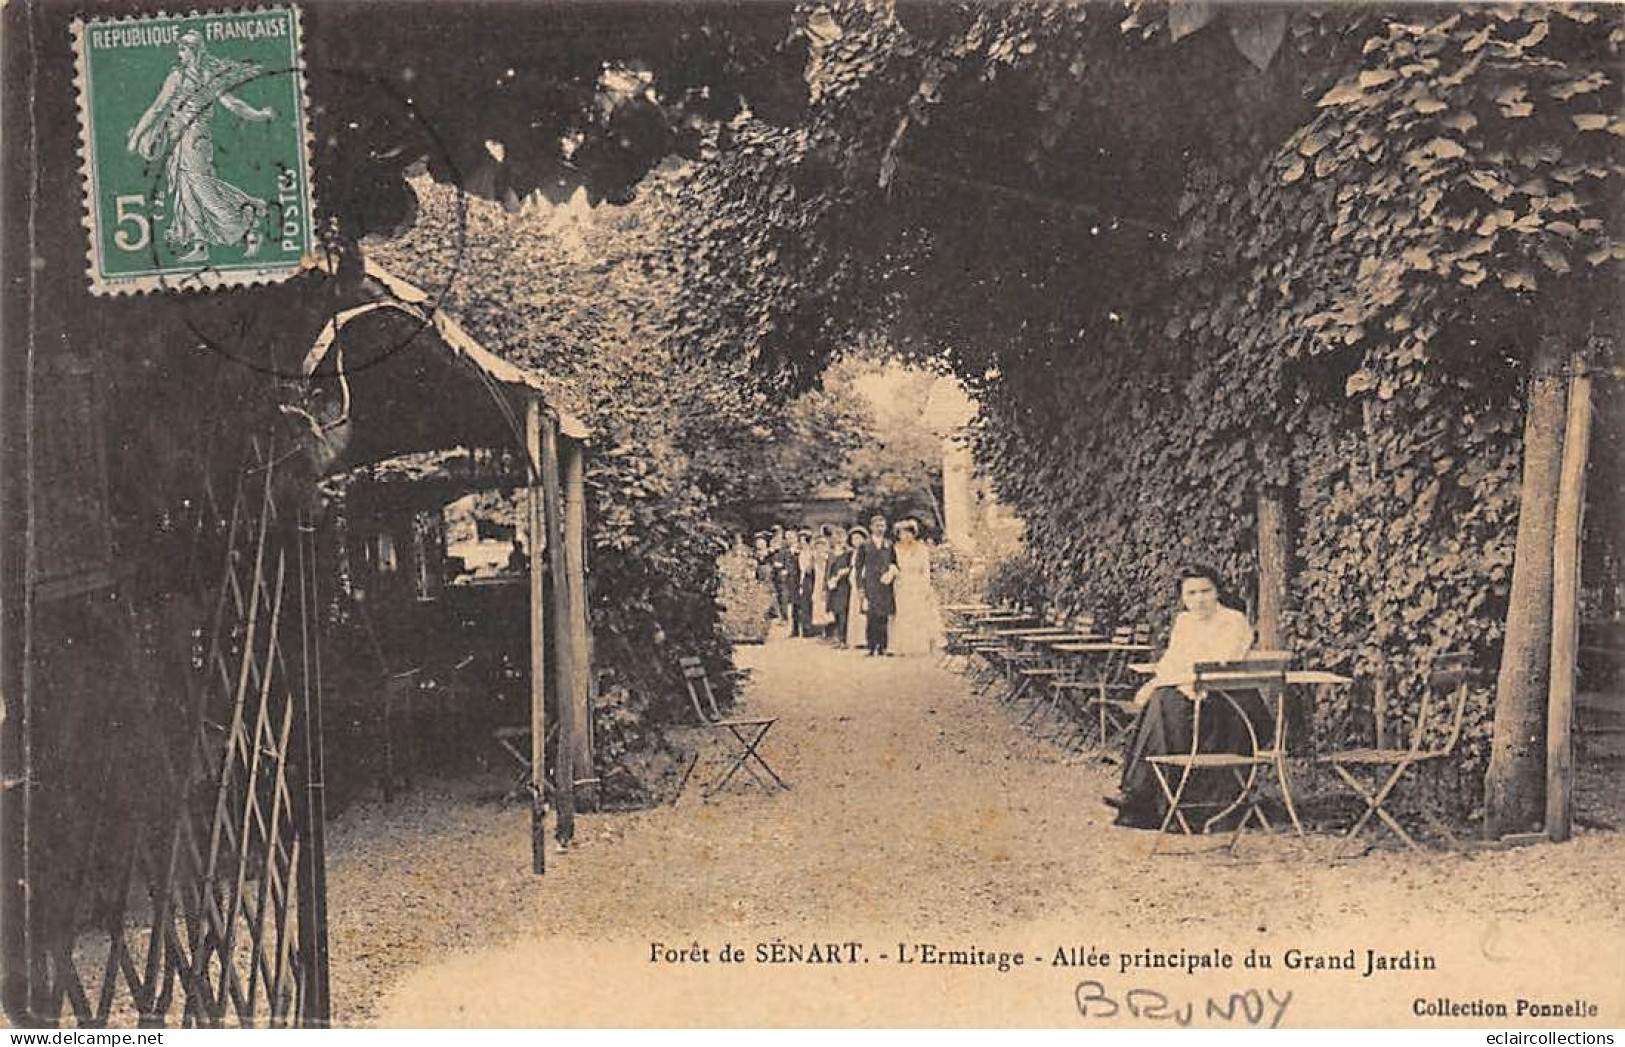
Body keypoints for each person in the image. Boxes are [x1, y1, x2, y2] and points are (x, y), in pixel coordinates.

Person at [1109, 565, 1257, 829]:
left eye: (1205, 591)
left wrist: (1169, 683)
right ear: (1182, 597)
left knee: (1164, 702)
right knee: (1162, 701)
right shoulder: (1184, 622)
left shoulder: (1233, 621)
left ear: (1217, 592)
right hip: (1188, 692)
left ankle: (1140, 796)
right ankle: (1147, 799)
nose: (1199, 599)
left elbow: (1218, 663)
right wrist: (1157, 681)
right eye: (1191, 593)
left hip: (1227, 703)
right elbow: (1171, 661)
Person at [127, 31, 275, 263]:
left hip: (191, 139)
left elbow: (157, 108)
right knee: (187, 190)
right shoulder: (208, 75)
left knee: (202, 188)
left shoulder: (180, 77)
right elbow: (233, 104)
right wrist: (259, 115)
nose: (180, 54)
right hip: (190, 139)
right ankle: (200, 245)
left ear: (192, 50)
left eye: (183, 49)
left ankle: (249, 219)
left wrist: (136, 136)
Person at [889, 520, 942, 656]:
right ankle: (904, 646)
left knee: (918, 614)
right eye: (902, 534)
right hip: (902, 583)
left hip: (917, 582)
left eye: (908, 533)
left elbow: (926, 569)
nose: (905, 537)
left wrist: (926, 585)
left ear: (913, 534)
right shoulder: (895, 549)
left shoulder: (921, 549)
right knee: (904, 614)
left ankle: (920, 646)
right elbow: (892, 565)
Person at [854, 514, 898, 656]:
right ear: (871, 527)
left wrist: (891, 573)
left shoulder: (889, 544)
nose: (880, 529)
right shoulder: (865, 545)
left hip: (885, 585)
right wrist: (860, 587)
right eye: (877, 526)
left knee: (883, 616)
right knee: (871, 616)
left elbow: (894, 563)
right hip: (870, 584)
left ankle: (883, 646)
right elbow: (859, 568)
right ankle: (872, 646)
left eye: (882, 526)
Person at [826, 530, 858, 645]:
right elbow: (828, 569)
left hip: (844, 585)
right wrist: (828, 582)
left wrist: (842, 574)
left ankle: (843, 637)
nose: (839, 540)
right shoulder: (831, 553)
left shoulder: (849, 552)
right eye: (836, 537)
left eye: (841, 537)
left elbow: (852, 567)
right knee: (834, 610)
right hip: (833, 585)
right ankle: (836, 636)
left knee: (843, 611)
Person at [809, 535, 834, 637]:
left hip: (826, 583)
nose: (820, 549)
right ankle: (820, 631)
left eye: (822, 546)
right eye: (817, 547)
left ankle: (830, 632)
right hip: (816, 584)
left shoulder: (829, 558)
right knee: (818, 606)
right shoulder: (814, 559)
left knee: (827, 606)